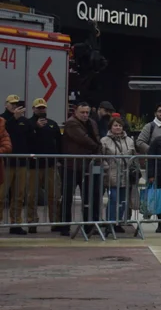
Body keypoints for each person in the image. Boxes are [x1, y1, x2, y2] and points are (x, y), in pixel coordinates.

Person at [61, 102, 103, 236]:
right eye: (82, 112)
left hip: (88, 165)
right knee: (67, 197)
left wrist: (98, 149)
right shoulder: (71, 123)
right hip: (72, 166)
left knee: (89, 197)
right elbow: (84, 139)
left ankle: (89, 225)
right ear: (76, 112)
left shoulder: (92, 123)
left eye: (87, 112)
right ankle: (64, 226)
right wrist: (97, 147)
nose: (85, 115)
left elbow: (96, 137)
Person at [27, 102, 63, 232]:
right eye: (38, 108)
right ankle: (31, 222)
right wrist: (36, 128)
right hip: (33, 166)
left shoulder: (53, 124)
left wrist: (59, 159)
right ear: (33, 109)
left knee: (54, 195)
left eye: (43, 107)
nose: (41, 110)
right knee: (32, 195)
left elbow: (59, 142)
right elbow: (26, 140)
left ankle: (55, 222)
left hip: (50, 165)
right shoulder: (28, 124)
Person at [101, 117, 138, 234]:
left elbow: (134, 156)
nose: (118, 128)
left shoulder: (130, 141)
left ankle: (118, 222)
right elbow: (101, 157)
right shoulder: (104, 141)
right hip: (111, 175)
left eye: (120, 126)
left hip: (126, 175)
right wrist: (106, 168)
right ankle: (110, 223)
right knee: (113, 199)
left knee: (123, 201)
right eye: (115, 125)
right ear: (111, 127)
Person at [1, 96, 30, 233]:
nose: (14, 106)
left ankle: (16, 223)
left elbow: (30, 138)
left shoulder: (25, 121)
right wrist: (14, 119)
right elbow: (5, 132)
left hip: (21, 163)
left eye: (16, 104)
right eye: (11, 104)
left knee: (18, 195)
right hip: (5, 163)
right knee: (1, 194)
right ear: (6, 105)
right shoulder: (2, 119)